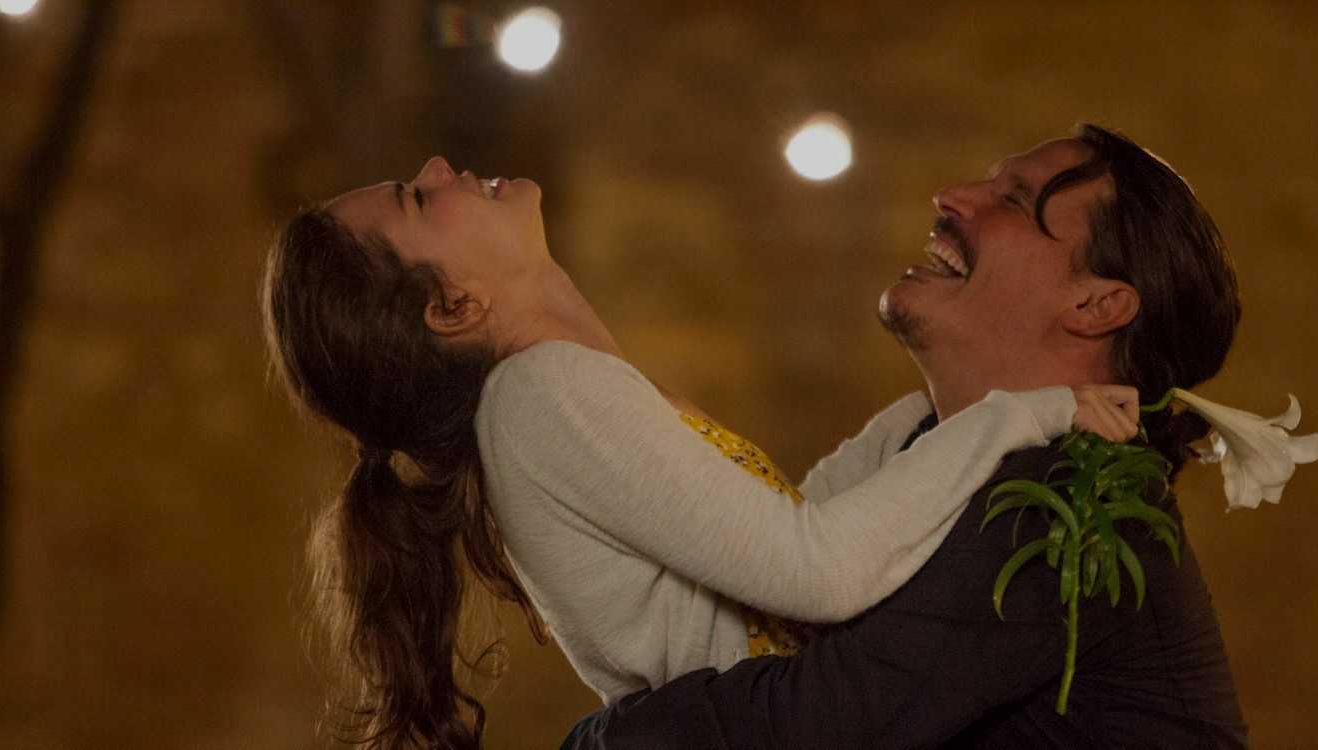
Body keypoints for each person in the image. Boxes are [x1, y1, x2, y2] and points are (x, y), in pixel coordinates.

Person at [261, 153, 1141, 746]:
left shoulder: (558, 391)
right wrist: (1023, 413)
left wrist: (939, 412)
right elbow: (820, 572)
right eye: (418, 200)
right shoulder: (541, 395)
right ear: (453, 307)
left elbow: (792, 525)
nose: (437, 166)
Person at [562, 123, 1249, 748]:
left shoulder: (1068, 499)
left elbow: (815, 725)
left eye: (1014, 200)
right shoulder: (925, 443)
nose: (951, 196)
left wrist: (595, 741)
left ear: (1096, 304)